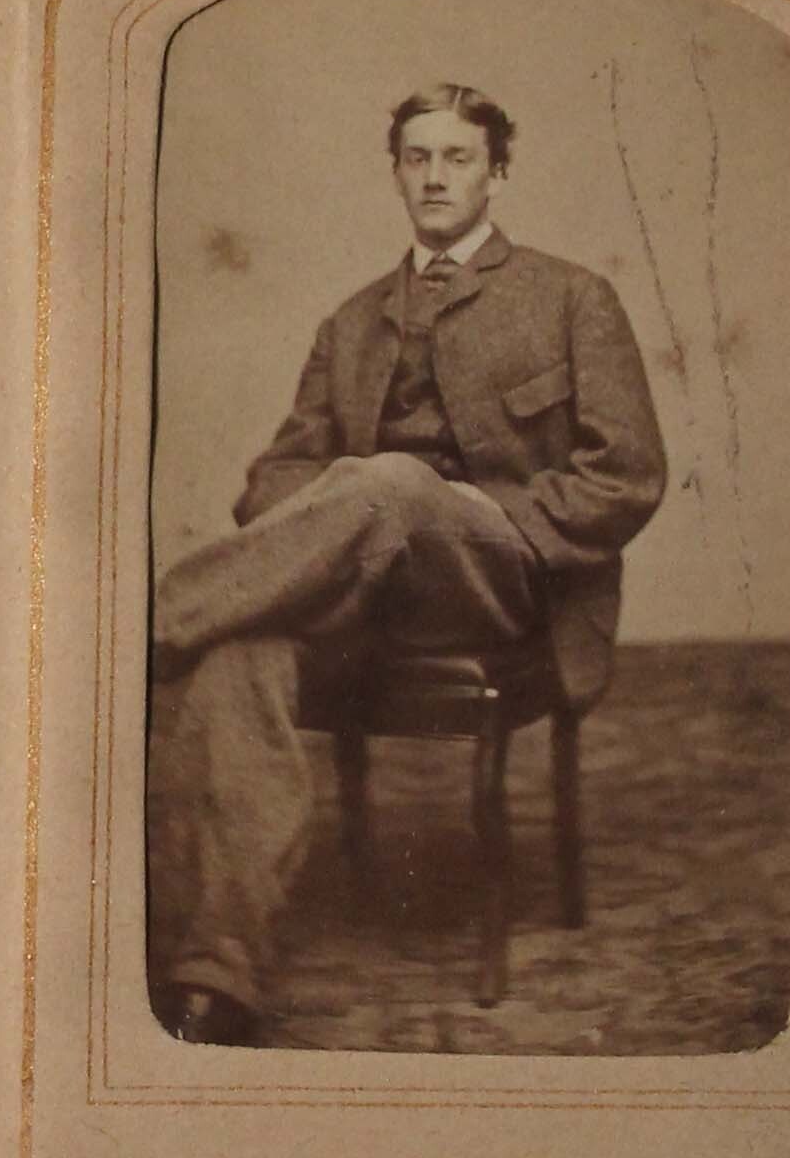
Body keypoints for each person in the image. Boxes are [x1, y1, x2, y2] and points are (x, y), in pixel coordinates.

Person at [147, 83, 667, 1044]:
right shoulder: (352, 321)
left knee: (386, 481)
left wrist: (474, 510)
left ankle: (145, 624)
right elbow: (278, 474)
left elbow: (626, 477)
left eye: (458, 157)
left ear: (497, 174)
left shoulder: (570, 298)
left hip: (504, 587)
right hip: (366, 593)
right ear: (395, 172)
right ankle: (215, 971)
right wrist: (329, 511)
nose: (435, 176)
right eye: (417, 157)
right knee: (235, 653)